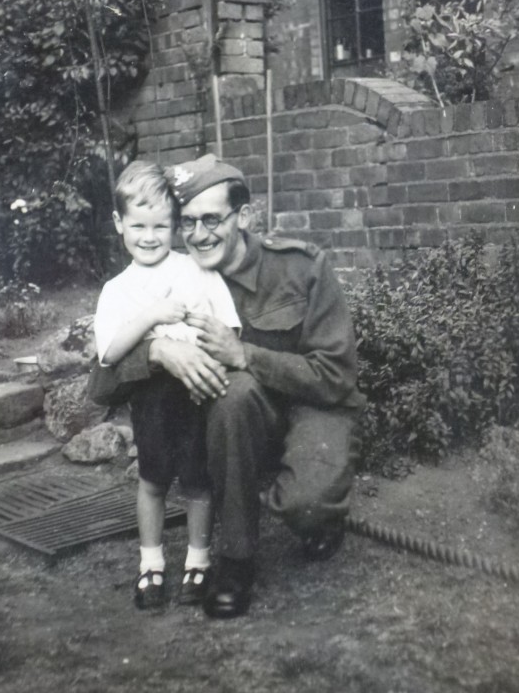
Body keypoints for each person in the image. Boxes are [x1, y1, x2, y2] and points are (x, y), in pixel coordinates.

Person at [146, 154, 366, 619]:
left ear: (243, 216)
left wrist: (245, 353)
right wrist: (158, 350)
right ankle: (236, 561)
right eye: (187, 223)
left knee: (305, 505)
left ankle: (320, 508)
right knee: (234, 394)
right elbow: (105, 370)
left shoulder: (302, 267)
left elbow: (337, 376)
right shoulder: (178, 278)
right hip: (244, 415)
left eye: (211, 219)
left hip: (315, 407)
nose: (199, 235)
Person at [93, 161, 240, 611]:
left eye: (161, 226)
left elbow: (229, 328)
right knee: (153, 479)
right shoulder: (116, 290)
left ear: (175, 226)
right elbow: (110, 352)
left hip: (196, 393)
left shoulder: (196, 271)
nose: (150, 236)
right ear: (119, 224)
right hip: (151, 398)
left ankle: (198, 560)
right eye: (139, 226)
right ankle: (150, 565)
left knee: (198, 480)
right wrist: (153, 316)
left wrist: (210, 357)